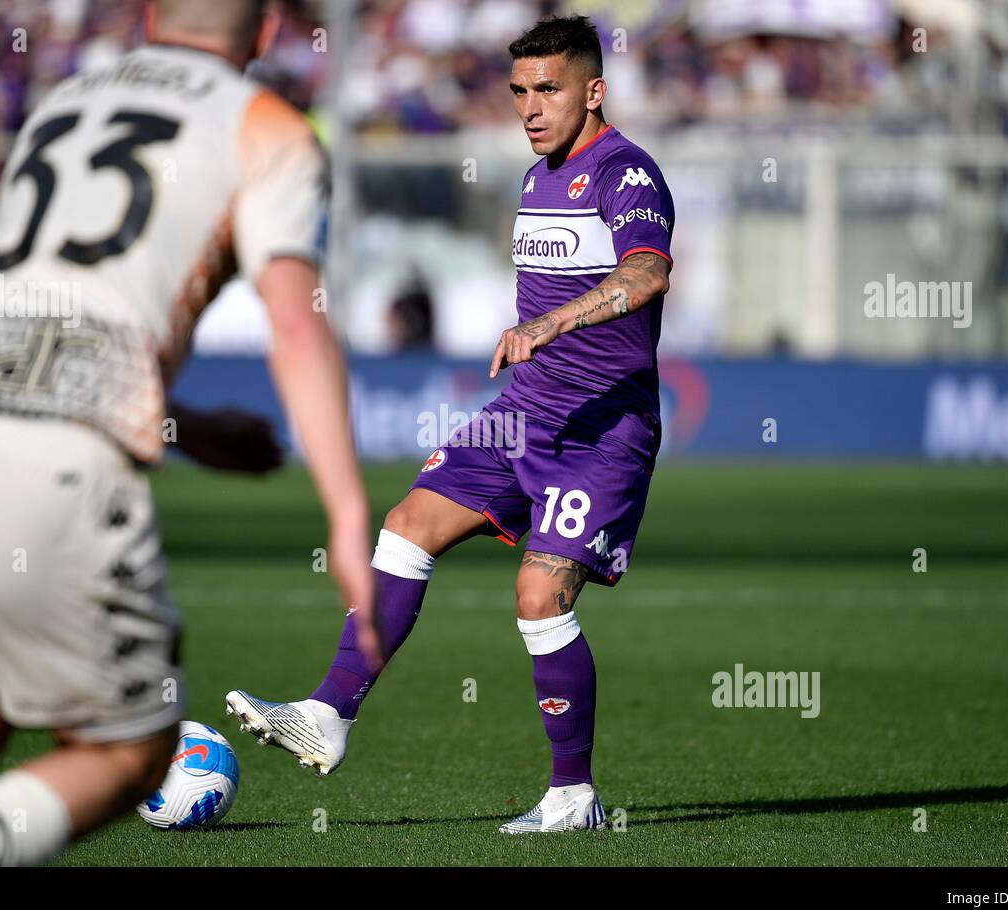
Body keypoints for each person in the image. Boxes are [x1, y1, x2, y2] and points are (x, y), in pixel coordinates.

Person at [0, 0, 375, 867]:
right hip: (52, 462)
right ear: (266, 32)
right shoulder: (270, 128)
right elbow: (298, 324)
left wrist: (183, 424)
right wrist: (346, 515)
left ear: (152, 16)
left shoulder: (66, 101)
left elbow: (42, 317)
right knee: (127, 752)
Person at [227, 14, 674, 834]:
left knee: (539, 596)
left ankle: (573, 795)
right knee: (406, 526)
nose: (531, 107)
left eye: (550, 89)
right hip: (524, 413)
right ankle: (331, 712)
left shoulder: (626, 172)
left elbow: (645, 273)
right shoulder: (540, 177)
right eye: (520, 92)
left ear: (595, 90)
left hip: (601, 430)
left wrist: (551, 325)